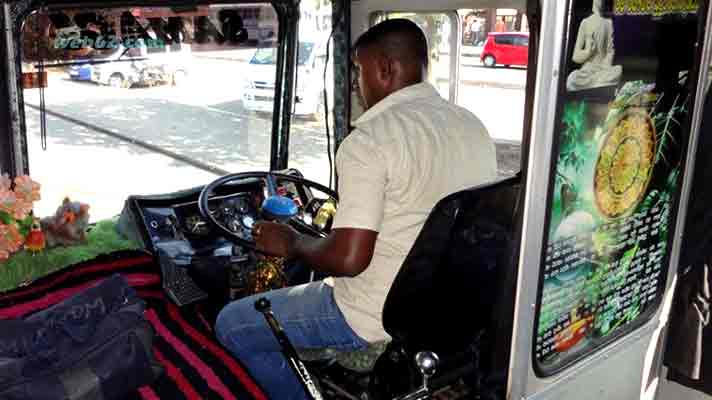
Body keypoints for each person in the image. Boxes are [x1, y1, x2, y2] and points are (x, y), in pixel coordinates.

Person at [215, 18, 497, 400]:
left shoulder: (369, 141)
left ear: (385, 68)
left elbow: (348, 259)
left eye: (358, 72)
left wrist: (292, 242)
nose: (356, 86)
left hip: (371, 316)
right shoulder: (472, 126)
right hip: (446, 310)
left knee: (231, 323)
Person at [565, 0, 622, 91]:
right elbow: (575, 57)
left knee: (618, 71)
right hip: (587, 70)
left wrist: (605, 66)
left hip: (602, 69)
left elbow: (610, 51)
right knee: (572, 79)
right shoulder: (585, 22)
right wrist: (588, 52)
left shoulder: (608, 23)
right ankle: (597, 84)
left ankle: (596, 83)